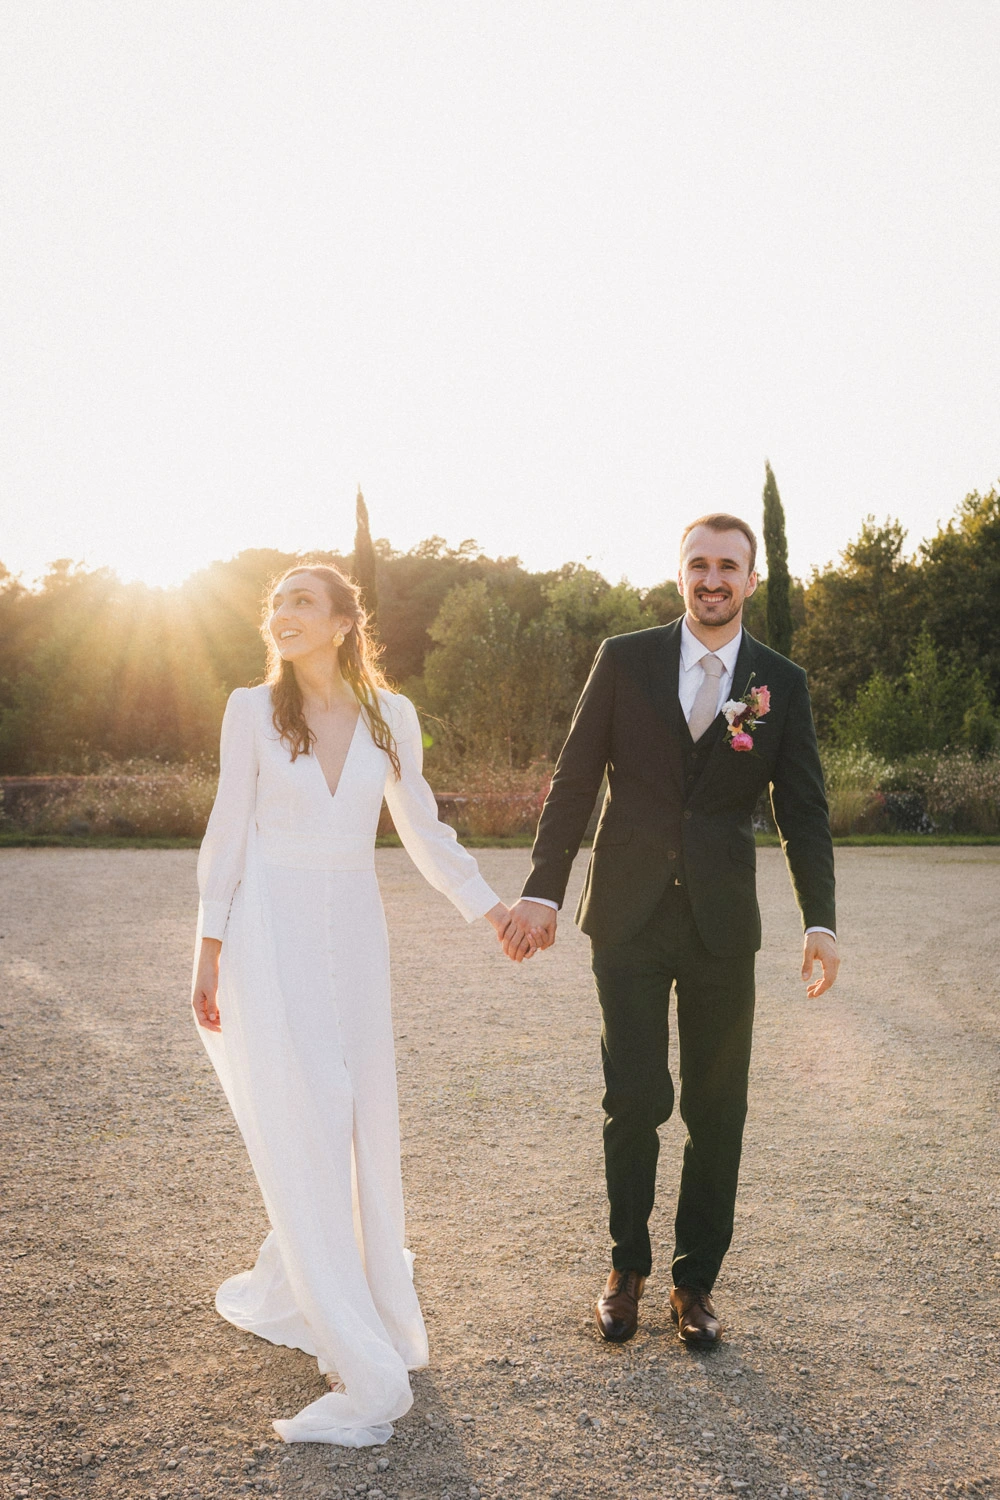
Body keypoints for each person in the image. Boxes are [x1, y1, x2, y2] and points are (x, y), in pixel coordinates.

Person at [191, 563, 515, 1445]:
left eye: (303, 601)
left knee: (361, 1116)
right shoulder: (249, 711)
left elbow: (421, 824)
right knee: (308, 1115)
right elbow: (228, 827)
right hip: (269, 926)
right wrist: (208, 948)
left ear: (342, 623)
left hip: (354, 931)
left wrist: (490, 908)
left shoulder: (390, 716)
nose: (283, 614)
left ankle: (333, 1290)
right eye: (277, 603)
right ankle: (345, 1340)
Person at [502, 513, 839, 1346]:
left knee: (718, 1108)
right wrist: (542, 891)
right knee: (635, 1099)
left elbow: (804, 811)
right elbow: (575, 778)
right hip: (627, 914)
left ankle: (695, 1286)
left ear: (750, 580)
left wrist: (820, 921)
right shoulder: (625, 659)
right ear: (679, 573)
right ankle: (627, 1269)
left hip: (723, 925)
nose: (713, 578)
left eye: (729, 565)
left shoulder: (779, 684)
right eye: (700, 564)